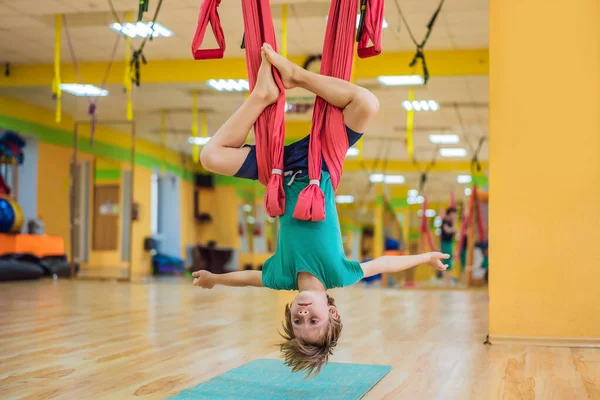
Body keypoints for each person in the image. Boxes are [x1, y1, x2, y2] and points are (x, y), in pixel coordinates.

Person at [193, 43, 450, 376]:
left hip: (277, 170)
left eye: (297, 319)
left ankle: (261, 95)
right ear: (333, 313)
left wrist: (215, 278)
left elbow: (247, 279)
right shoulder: (339, 274)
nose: (303, 312)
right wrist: (425, 257)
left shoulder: (280, 276)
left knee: (209, 157)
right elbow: (385, 263)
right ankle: (296, 76)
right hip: (322, 163)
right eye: (313, 319)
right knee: (367, 104)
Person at [440, 207, 457, 284]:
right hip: (445, 243)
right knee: (446, 260)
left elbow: (454, 230)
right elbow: (448, 230)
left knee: (449, 261)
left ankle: (448, 280)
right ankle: (445, 280)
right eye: (453, 214)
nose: (454, 216)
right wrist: (453, 228)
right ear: (450, 213)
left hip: (449, 243)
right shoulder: (445, 221)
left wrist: (453, 226)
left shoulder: (450, 222)